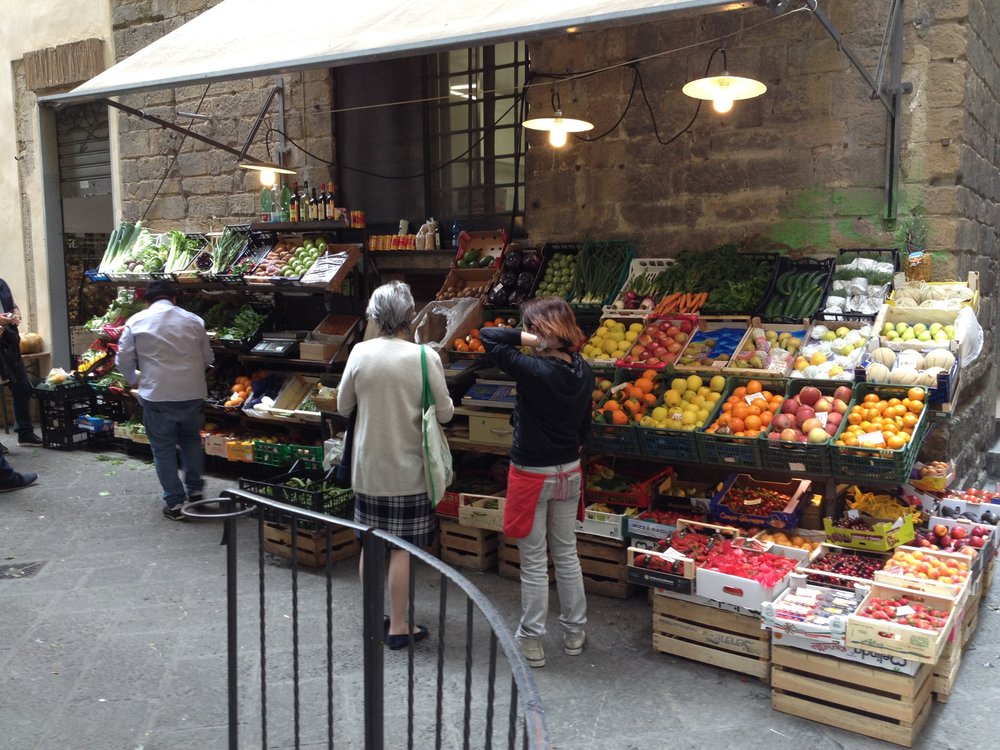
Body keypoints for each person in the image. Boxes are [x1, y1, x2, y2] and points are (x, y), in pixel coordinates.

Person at [337, 281, 454, 650]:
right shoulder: (423, 357)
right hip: (409, 472)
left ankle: (374, 617)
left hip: (368, 469)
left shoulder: (359, 353)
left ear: (374, 315)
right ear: (409, 316)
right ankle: (399, 626)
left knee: (370, 546)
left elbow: (343, 406)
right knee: (401, 548)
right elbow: (446, 413)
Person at [479, 297, 593, 668]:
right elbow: (585, 428)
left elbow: (489, 335)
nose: (526, 332)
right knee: (566, 554)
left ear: (541, 330)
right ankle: (575, 632)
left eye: (530, 326)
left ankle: (532, 641)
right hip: (569, 471)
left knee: (532, 561)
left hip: (531, 474)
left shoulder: (532, 369)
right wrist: (549, 340)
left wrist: (532, 340)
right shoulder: (582, 369)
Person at [117, 280, 214, 521]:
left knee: (163, 450)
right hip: (192, 392)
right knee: (191, 441)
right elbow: (207, 357)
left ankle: (174, 503)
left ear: (147, 300)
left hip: (157, 395)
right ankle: (196, 493)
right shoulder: (194, 320)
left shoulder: (136, 321)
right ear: (174, 298)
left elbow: (123, 359)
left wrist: (134, 380)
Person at [0, 277, 43, 450]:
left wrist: (16, 315)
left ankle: (25, 433)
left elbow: (12, 305)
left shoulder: (1, 283)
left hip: (8, 341)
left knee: (22, 385)